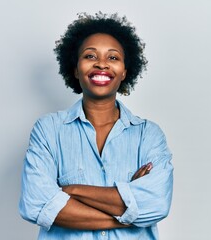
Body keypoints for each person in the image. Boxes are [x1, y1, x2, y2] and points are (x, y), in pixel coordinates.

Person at [19, 12, 173, 240]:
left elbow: (157, 204)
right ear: (75, 68)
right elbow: (36, 203)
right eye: (90, 56)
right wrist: (130, 210)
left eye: (113, 58)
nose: (101, 64)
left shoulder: (148, 135)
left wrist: (70, 191)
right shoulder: (49, 130)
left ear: (124, 72)